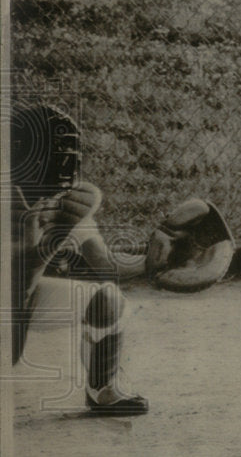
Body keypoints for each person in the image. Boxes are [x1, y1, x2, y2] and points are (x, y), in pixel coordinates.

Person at [9, 104, 148, 415]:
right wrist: (50, 241)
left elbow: (106, 266)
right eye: (53, 151)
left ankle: (104, 391)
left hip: (19, 301)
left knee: (107, 299)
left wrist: (157, 262)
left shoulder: (61, 201)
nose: (64, 163)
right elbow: (15, 289)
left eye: (68, 153)